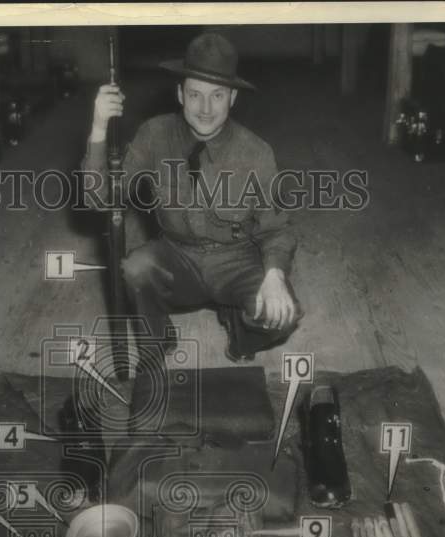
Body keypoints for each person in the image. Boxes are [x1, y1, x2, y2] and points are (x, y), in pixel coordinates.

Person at [82, 32, 303, 364]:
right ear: (180, 94)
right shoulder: (154, 135)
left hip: (236, 260)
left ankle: (239, 332)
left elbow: (277, 229)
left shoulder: (255, 152)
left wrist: (274, 276)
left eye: (217, 96)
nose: (205, 109)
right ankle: (157, 341)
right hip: (178, 256)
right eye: (195, 94)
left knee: (283, 314)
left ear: (233, 99)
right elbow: (99, 199)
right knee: (136, 268)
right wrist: (99, 127)